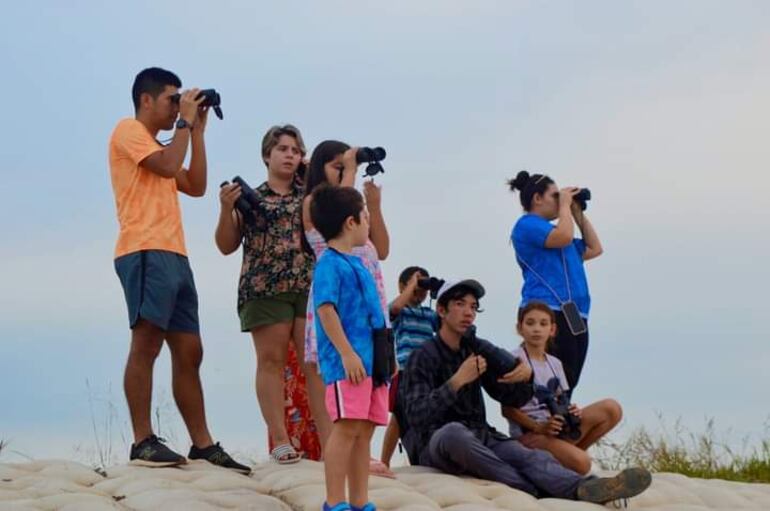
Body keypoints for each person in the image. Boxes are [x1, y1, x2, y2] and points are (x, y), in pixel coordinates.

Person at [396, 280, 651, 503]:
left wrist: (526, 377)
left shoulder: (475, 349)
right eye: (460, 304)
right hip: (436, 442)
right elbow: (416, 415)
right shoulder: (423, 355)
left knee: (525, 456)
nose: (468, 312)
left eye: (473, 307)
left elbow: (510, 397)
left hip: (480, 434)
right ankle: (532, 489)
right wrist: (457, 382)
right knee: (455, 434)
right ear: (441, 310)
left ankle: (586, 488)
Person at [109, 67, 248, 473]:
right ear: (146, 100)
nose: (177, 107)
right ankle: (142, 440)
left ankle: (202, 444)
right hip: (144, 249)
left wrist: (197, 131)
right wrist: (185, 123)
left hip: (174, 253)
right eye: (172, 99)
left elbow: (197, 184)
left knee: (190, 350)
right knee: (147, 341)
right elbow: (171, 167)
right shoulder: (128, 131)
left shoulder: (162, 143)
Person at [215, 125, 328, 464]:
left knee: (314, 365)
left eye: (295, 149)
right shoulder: (253, 197)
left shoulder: (310, 195)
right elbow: (226, 245)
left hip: (306, 284)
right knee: (271, 361)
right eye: (282, 148)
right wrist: (225, 209)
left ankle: (329, 440)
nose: (289, 154)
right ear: (267, 155)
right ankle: (280, 439)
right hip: (264, 287)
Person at [302, 140, 394, 478]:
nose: (344, 173)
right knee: (343, 394)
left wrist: (373, 207)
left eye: (347, 167)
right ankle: (336, 459)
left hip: (368, 309)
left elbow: (381, 249)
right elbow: (336, 216)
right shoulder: (317, 205)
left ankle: (359, 461)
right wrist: (353, 168)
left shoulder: (358, 219)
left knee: (367, 399)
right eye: (337, 166)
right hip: (341, 309)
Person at [310, 184, 389, 511]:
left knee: (364, 430)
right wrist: (346, 352)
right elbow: (326, 309)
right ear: (350, 223)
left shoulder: (357, 262)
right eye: (365, 216)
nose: (368, 223)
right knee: (346, 427)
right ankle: (335, 501)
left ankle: (360, 501)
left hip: (374, 359)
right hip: (349, 361)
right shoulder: (329, 263)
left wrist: (386, 358)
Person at [508, 170, 604, 394]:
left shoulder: (561, 231)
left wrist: (577, 212)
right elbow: (564, 237)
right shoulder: (527, 225)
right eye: (555, 196)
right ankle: (542, 422)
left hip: (575, 312)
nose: (561, 200)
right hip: (546, 309)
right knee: (548, 376)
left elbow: (594, 248)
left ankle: (562, 418)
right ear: (537, 198)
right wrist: (564, 208)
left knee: (568, 379)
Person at [502, 302, 622, 474]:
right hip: (530, 434)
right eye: (530, 323)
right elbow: (507, 410)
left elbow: (560, 398)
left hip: (556, 429)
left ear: (552, 330)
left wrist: (571, 411)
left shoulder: (555, 363)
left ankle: (569, 457)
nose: (537, 329)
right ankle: (574, 460)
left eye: (543, 324)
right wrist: (539, 427)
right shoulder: (512, 360)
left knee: (612, 408)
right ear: (519, 328)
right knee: (583, 463)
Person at [380, 266, 437, 467]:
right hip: (405, 371)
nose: (421, 292)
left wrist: (441, 290)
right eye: (416, 286)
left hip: (428, 373)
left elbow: (447, 324)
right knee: (398, 417)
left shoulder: (429, 314)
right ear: (403, 286)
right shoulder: (400, 311)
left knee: (424, 416)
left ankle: (421, 458)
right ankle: (384, 462)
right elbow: (393, 310)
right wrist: (411, 286)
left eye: (424, 288)